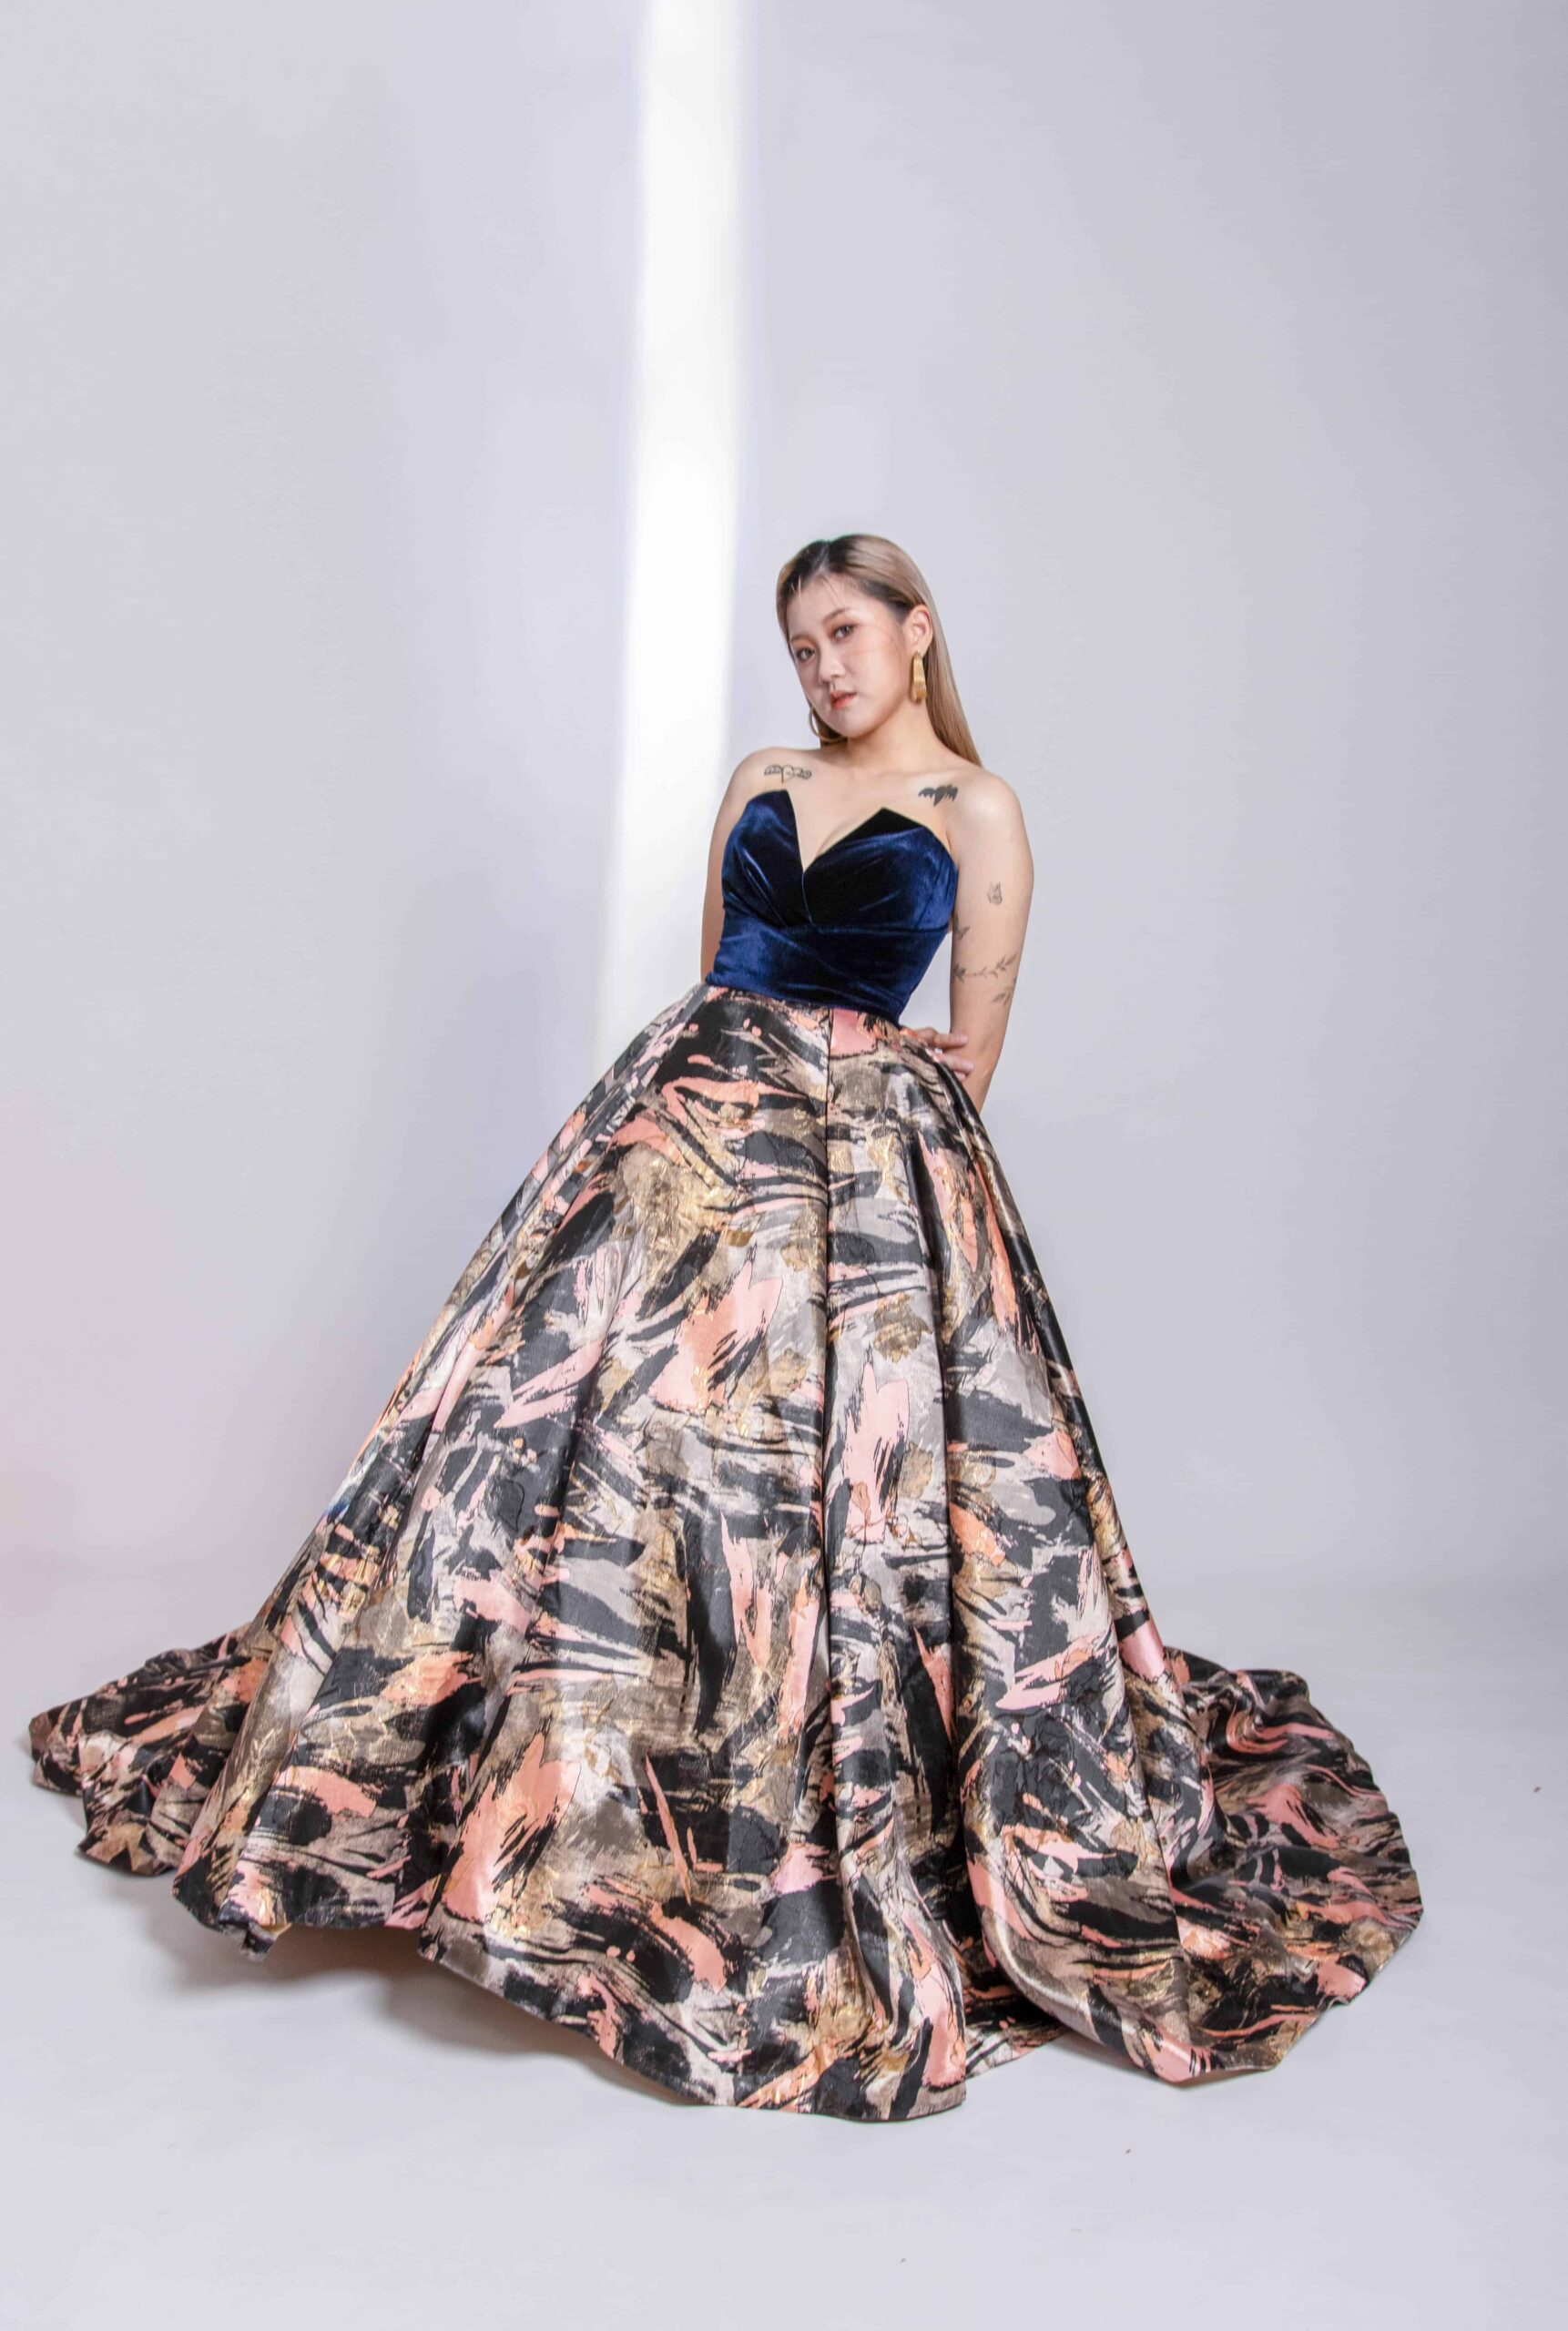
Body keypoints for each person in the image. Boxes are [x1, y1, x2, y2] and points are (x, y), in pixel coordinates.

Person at [28, 532, 1423, 2122]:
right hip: (682, 1128)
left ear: (914, 631)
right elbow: (715, 975)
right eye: (801, 646)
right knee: (568, 1436)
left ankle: (735, 1797)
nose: (823, 669)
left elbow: (969, 1053)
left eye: (845, 634)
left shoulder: (977, 809)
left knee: (787, 1483)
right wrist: (702, 1127)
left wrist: (854, 1142)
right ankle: (540, 1780)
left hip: (854, 1169)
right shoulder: (762, 775)